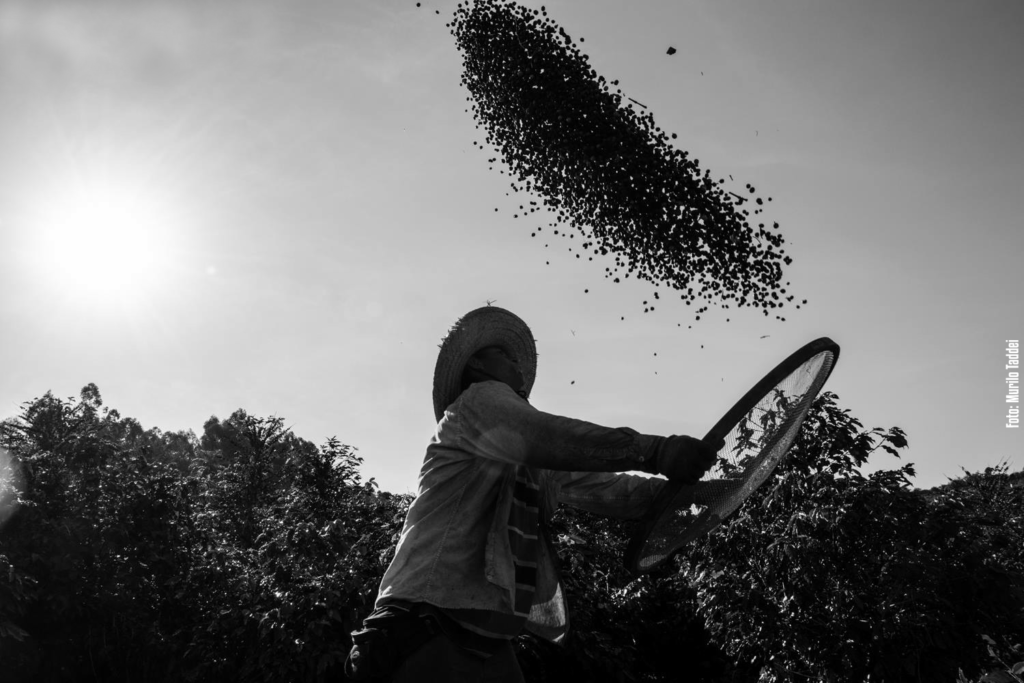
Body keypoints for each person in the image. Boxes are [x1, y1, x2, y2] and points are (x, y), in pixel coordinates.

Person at [345, 306, 720, 682]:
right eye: (504, 355)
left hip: (483, 637)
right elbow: (552, 436)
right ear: (476, 364)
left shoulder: (531, 463)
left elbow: (609, 490)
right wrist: (655, 451)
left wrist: (695, 495)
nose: (518, 365)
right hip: (425, 621)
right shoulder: (477, 401)